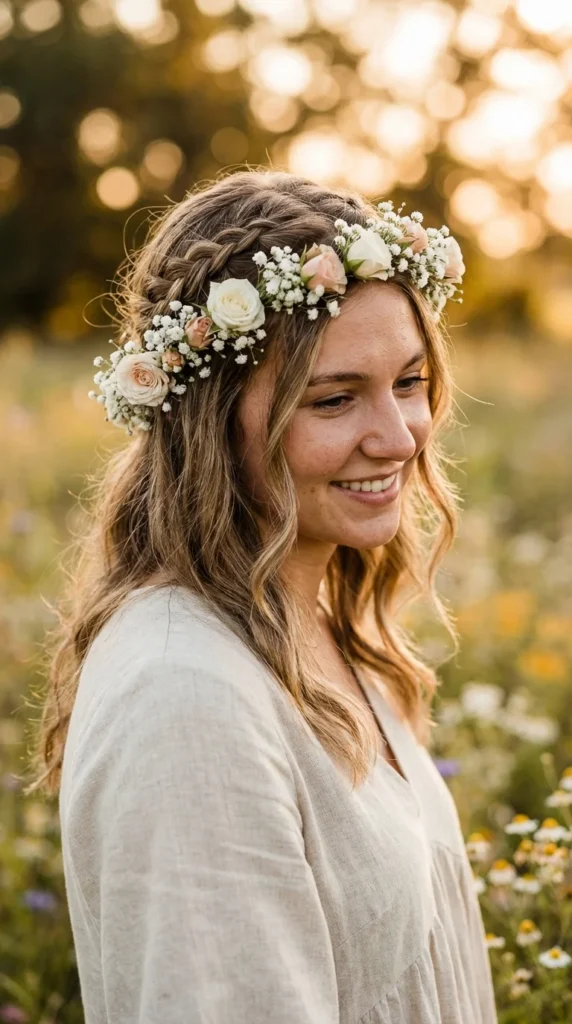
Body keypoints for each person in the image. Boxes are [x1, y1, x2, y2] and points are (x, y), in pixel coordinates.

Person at [25, 169, 497, 1023]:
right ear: (209, 420)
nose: (399, 437)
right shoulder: (184, 696)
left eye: (409, 381)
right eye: (335, 399)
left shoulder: (312, 619)